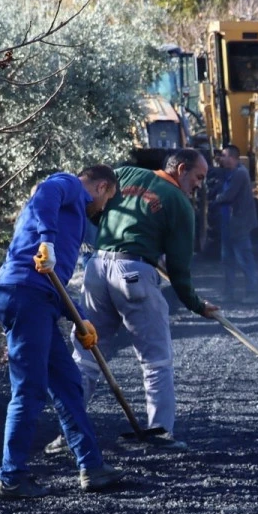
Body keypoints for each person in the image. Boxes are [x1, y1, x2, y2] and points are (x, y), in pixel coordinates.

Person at [53, 148, 220, 453]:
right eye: (198, 177)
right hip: (134, 274)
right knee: (156, 360)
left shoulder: (125, 174)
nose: (199, 185)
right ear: (181, 169)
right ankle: (159, 431)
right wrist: (197, 305)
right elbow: (180, 270)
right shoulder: (180, 204)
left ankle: (67, 433)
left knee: (87, 357)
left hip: (96, 269)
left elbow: (97, 206)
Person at [0, 164, 125, 500]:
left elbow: (54, 283)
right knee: (29, 391)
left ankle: (91, 467)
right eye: (107, 198)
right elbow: (45, 195)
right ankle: (11, 478)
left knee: (68, 383)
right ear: (102, 186)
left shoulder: (74, 215)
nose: (104, 207)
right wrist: (47, 242)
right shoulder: (66, 184)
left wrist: (81, 319)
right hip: (24, 295)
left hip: (39, 300)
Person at [214, 145, 258, 304]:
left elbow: (229, 195)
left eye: (225, 156)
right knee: (227, 260)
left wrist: (217, 199)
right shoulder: (230, 173)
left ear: (234, 158)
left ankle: (252, 293)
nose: (222, 159)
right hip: (228, 223)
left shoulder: (240, 174)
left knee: (244, 259)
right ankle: (229, 293)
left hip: (239, 223)